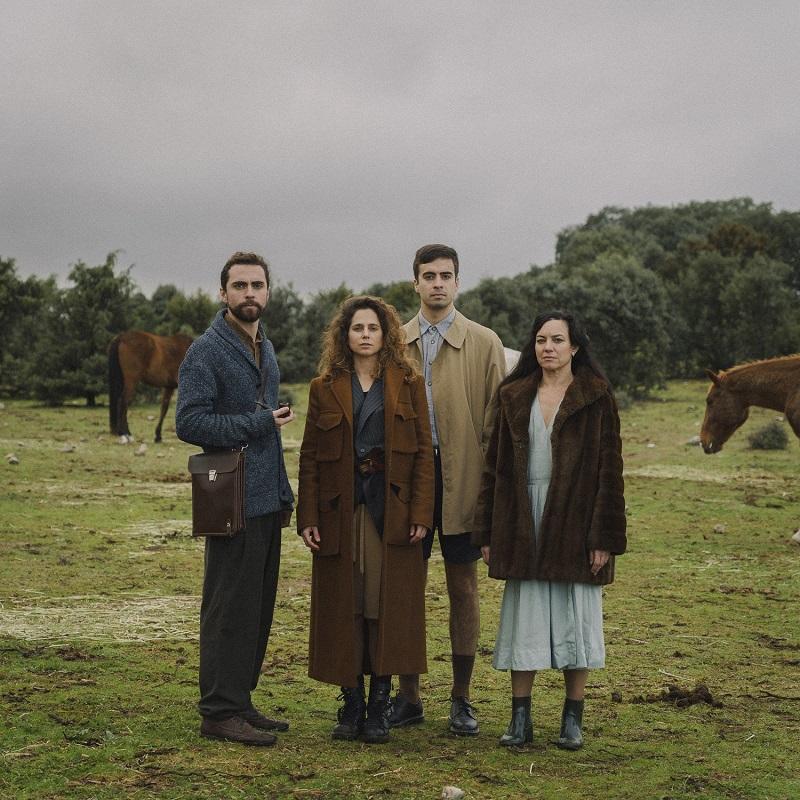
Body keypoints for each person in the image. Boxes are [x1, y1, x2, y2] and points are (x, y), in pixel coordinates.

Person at [473, 310, 626, 749]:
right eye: (541, 339)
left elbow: (609, 472)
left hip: (577, 520)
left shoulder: (596, 396)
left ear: (575, 346)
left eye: (557, 340)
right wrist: (487, 530)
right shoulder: (513, 395)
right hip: (522, 517)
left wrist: (603, 537)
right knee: (526, 618)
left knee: (575, 618)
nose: (548, 348)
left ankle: (572, 718)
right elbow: (494, 467)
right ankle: (520, 718)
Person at [298, 295, 434, 744]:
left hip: (389, 511)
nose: (365, 335)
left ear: (386, 334)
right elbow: (311, 458)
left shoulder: (409, 382)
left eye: (373, 328)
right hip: (341, 513)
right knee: (345, 605)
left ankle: (380, 703)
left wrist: (420, 513)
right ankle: (350, 703)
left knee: (384, 605)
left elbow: (422, 457)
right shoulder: (325, 386)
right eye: (357, 328)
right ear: (345, 335)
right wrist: (309, 516)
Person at [176, 251, 295, 746]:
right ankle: (218, 711)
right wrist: (256, 423)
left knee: (256, 604)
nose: (250, 293)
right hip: (228, 496)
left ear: (268, 292)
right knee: (227, 604)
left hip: (266, 497)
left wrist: (285, 492)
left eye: (258, 285)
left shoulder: (264, 347)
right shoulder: (205, 351)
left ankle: (240, 699)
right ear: (223, 293)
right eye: (240, 285)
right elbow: (190, 422)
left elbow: (269, 425)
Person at [391, 244, 506, 736]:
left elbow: (497, 425)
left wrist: (491, 491)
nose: (437, 283)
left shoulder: (484, 342)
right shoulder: (394, 341)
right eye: (428, 275)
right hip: (410, 482)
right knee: (405, 588)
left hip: (465, 482)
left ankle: (462, 698)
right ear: (414, 283)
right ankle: (409, 695)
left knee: (463, 587)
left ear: (458, 283)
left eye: (446, 275)